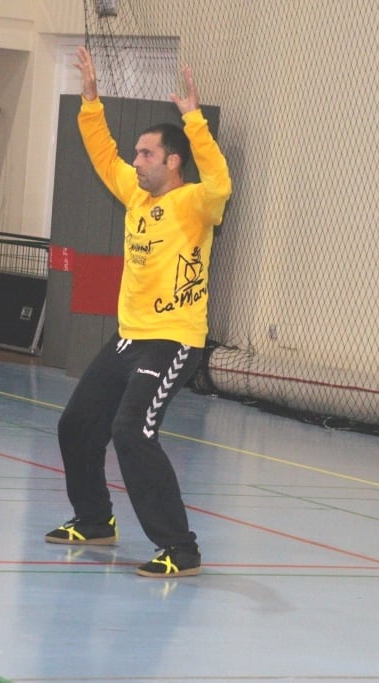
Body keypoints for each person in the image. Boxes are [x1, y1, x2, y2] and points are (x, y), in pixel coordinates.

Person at [44, 46, 232, 577]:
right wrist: (89, 102)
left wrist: (193, 120)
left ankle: (181, 549)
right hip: (129, 337)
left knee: (132, 433)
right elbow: (103, 154)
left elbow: (221, 182)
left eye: (146, 154)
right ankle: (95, 520)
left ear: (172, 160)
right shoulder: (136, 196)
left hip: (174, 339)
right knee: (77, 425)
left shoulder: (196, 202)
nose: (136, 161)